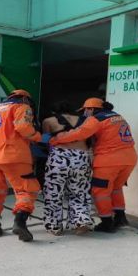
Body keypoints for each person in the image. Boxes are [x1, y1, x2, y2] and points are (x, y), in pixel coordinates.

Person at [50, 98, 137, 233]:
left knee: (100, 192)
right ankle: (120, 218)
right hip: (129, 158)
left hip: (108, 161)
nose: (84, 114)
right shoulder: (118, 116)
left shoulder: (97, 119)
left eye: (85, 110)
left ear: (90, 109)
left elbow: (79, 133)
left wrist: (57, 139)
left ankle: (107, 223)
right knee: (116, 188)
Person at [0, 89, 42, 241]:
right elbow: (23, 128)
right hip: (13, 155)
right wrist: (37, 137)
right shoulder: (22, 107)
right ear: (25, 99)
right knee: (26, 190)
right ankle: (20, 222)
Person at [40, 101, 94, 236]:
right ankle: (81, 221)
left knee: (54, 193)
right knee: (79, 192)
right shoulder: (85, 120)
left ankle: (54, 226)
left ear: (54, 111)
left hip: (59, 158)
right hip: (81, 157)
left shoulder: (49, 120)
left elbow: (46, 141)